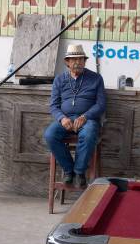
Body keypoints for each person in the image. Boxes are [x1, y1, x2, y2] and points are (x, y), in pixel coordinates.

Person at [44, 44, 106, 189]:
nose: (77, 62)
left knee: (90, 133)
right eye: (73, 59)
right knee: (50, 135)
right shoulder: (59, 79)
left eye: (80, 59)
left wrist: (85, 116)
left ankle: (79, 172)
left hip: (87, 119)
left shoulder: (96, 78)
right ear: (67, 62)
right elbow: (53, 105)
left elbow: (101, 104)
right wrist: (62, 118)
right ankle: (68, 170)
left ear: (85, 61)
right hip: (65, 120)